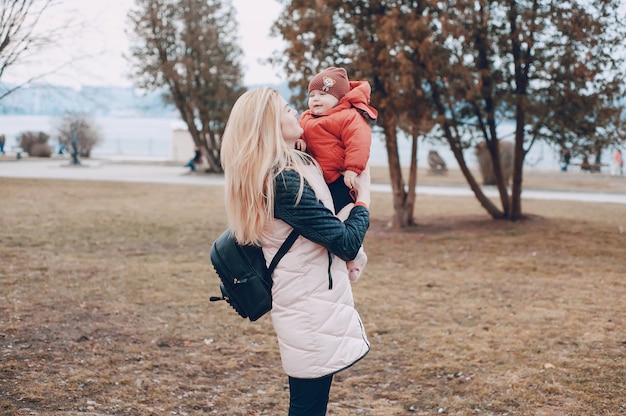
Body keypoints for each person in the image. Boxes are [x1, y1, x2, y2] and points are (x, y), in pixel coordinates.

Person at [220, 87, 371, 416]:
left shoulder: (288, 169)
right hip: (307, 308)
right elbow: (346, 242)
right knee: (307, 407)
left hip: (311, 300)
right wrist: (364, 201)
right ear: (272, 126)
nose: (296, 113)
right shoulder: (283, 184)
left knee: (311, 404)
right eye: (288, 110)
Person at [297, 67, 378, 282]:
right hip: (320, 182)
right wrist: (300, 142)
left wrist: (353, 167)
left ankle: (356, 254)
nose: (316, 99)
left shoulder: (348, 117)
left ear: (339, 98)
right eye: (312, 95)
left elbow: (359, 142)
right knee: (328, 223)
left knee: (344, 218)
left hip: (342, 180)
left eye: (323, 95)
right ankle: (341, 259)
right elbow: (299, 133)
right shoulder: (306, 118)